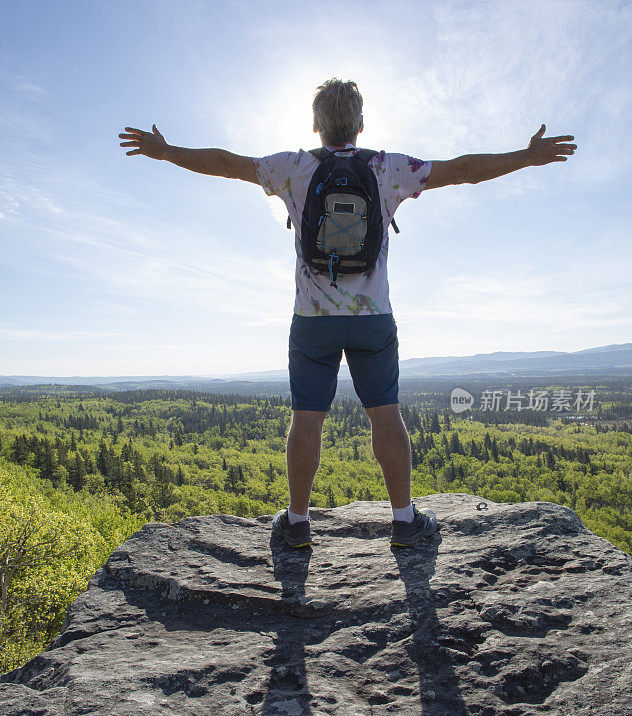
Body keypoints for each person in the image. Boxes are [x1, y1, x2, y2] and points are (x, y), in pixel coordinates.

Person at [118, 77, 577, 549]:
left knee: (307, 418)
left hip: (312, 320)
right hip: (372, 317)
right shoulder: (387, 168)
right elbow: (463, 170)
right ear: (360, 124)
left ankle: (296, 524)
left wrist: (166, 151)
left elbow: (224, 163)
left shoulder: (292, 167)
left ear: (316, 124)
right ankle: (404, 521)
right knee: (386, 415)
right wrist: (526, 157)